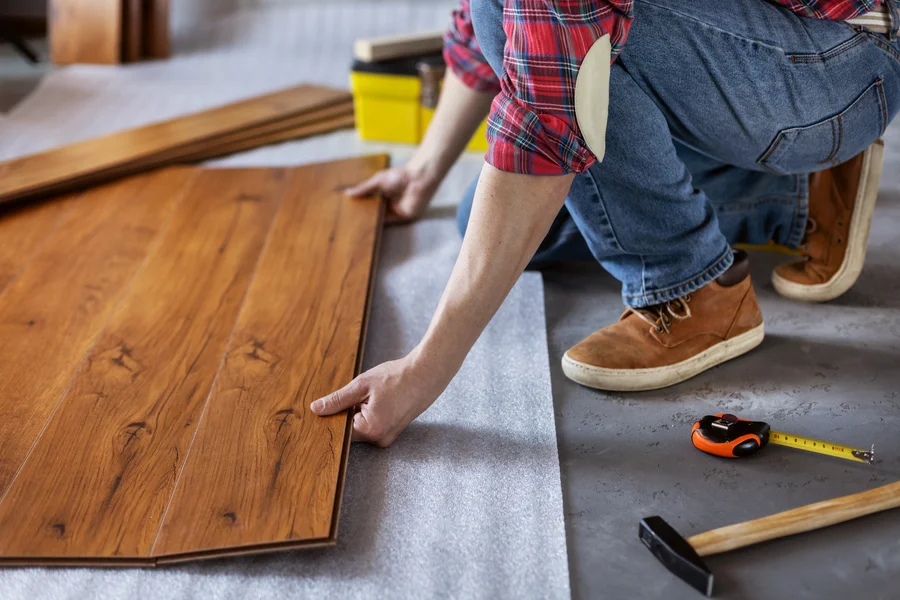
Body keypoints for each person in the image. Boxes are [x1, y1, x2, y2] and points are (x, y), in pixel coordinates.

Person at [311, 0, 900, 446]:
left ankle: (692, 283)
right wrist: (422, 172)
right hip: (754, 42)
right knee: (484, 222)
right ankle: (791, 192)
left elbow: (553, 106)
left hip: (842, 61)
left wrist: (425, 369)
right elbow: (485, 20)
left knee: (583, 60)